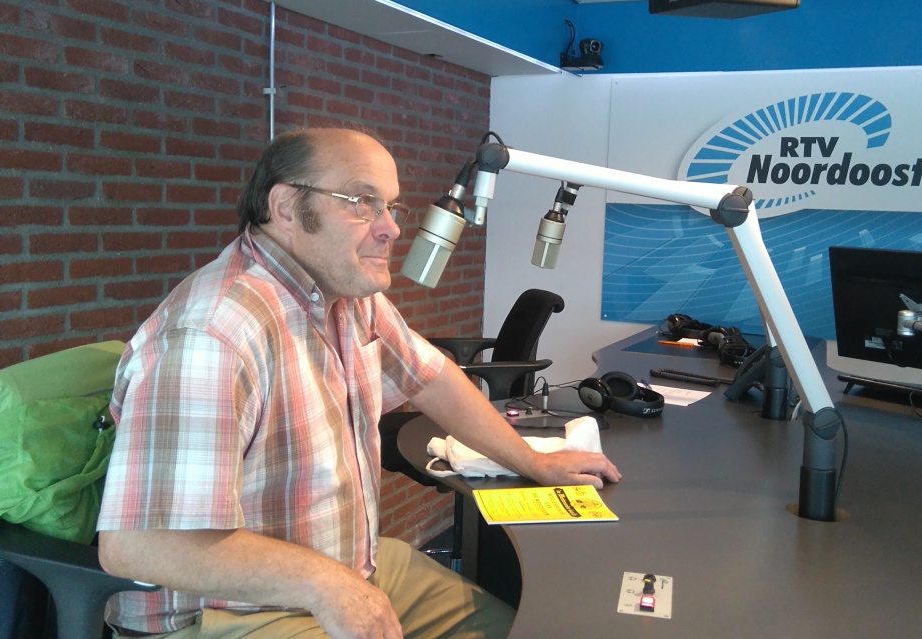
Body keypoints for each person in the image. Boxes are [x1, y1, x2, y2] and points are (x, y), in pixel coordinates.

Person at [96, 127, 622, 639]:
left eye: (390, 206)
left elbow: (432, 378)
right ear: (286, 207)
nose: (391, 228)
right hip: (229, 612)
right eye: (362, 202)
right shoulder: (213, 334)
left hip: (348, 568)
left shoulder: (347, 296)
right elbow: (139, 545)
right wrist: (326, 585)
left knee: (523, 629)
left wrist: (533, 461)